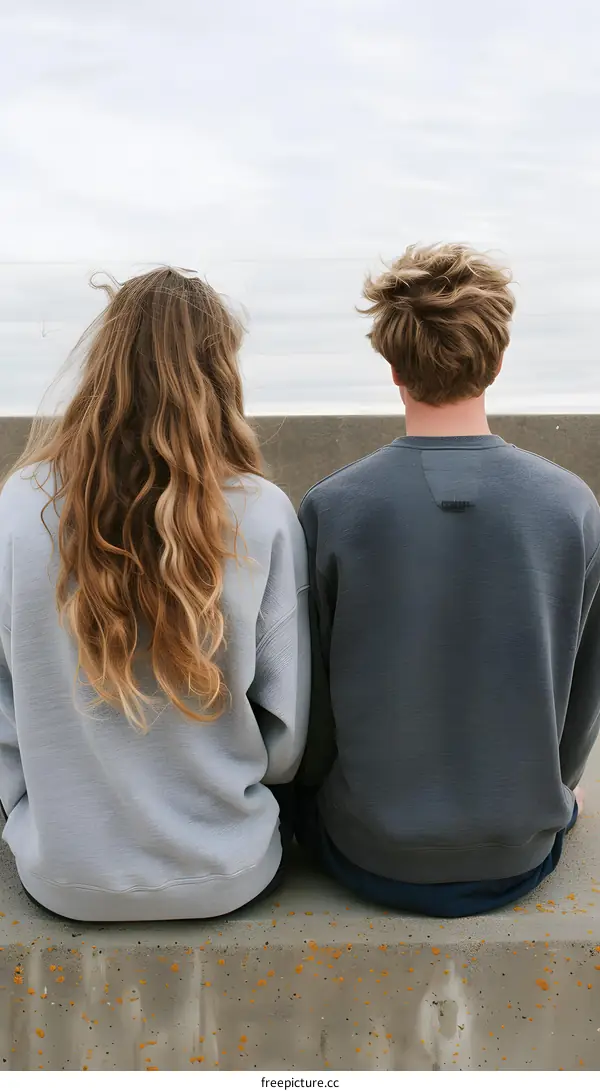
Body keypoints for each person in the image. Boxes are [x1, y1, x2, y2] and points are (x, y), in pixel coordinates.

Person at [295, 243, 599, 917]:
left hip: (368, 850)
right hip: (518, 853)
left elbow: (313, 710)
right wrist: (561, 789)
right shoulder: (571, 505)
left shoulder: (332, 508)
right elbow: (581, 699)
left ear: (392, 364)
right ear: (496, 358)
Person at [0, 267, 309, 922]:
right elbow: (286, 741)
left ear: (104, 363)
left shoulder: (19, 505)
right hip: (228, 867)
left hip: (63, 870)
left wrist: (35, 804)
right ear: (218, 373)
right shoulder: (262, 513)